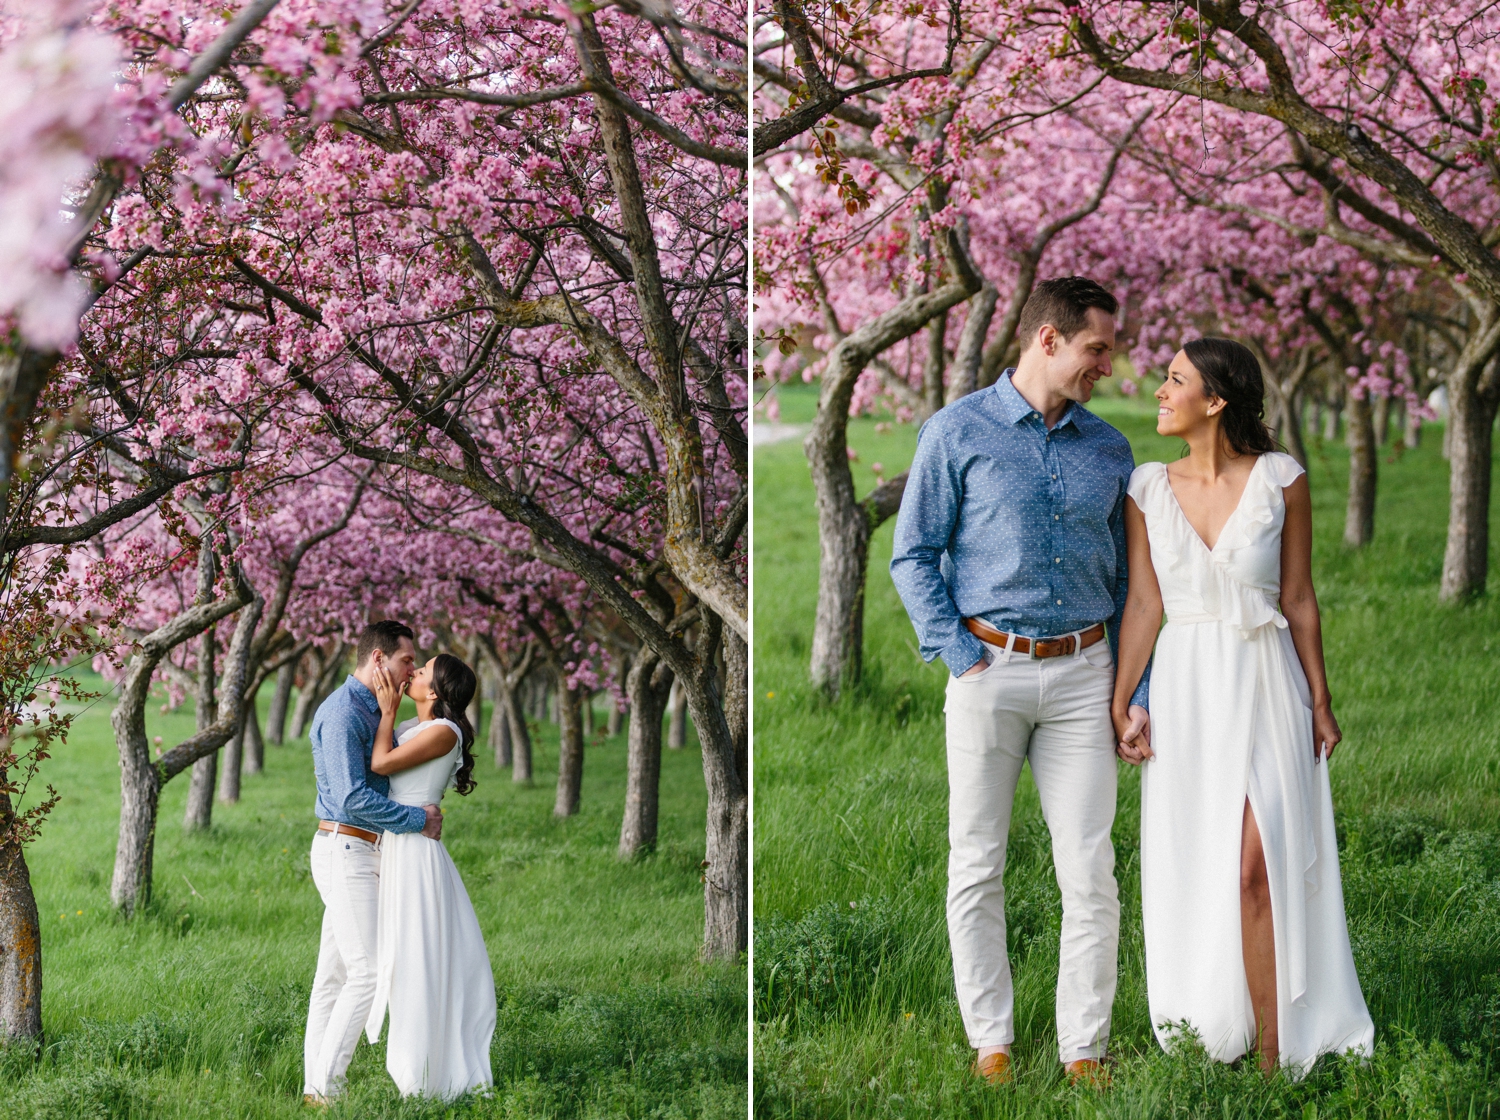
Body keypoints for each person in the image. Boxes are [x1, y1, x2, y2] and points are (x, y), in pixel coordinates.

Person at [890, 276, 1148, 1088]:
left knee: (1090, 868)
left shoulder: (1111, 449)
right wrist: (960, 655)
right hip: (988, 670)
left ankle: (1085, 1049)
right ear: (1047, 339)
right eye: (1096, 348)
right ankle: (991, 1041)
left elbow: (1127, 587)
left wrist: (1129, 692)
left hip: (1084, 675)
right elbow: (913, 553)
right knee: (977, 863)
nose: (1106, 364)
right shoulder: (955, 431)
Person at [1111, 337, 1374, 1075]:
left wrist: (1321, 700)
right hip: (1189, 684)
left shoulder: (1280, 479)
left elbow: (1297, 598)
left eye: (1174, 381)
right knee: (1206, 860)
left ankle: (1273, 1052)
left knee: (1257, 865)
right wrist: (1122, 700)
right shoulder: (1146, 488)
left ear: (1216, 399)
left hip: (1265, 682)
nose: (1159, 392)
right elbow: (1143, 605)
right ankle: (1218, 1012)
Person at [303, 621, 444, 1104]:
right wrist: (415, 819)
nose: (412, 671)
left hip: (362, 849)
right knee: (367, 971)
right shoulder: (345, 712)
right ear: (380, 659)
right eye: (408, 661)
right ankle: (327, 1090)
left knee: (335, 975)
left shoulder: (377, 709)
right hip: (346, 849)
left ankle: (313, 1088)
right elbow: (350, 795)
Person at [363, 652, 497, 1099]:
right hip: (400, 842)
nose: (413, 672)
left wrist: (386, 709)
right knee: (398, 955)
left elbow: (381, 765)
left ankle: (425, 1075)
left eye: (421, 672)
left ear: (435, 691)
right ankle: (416, 1067)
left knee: (416, 957)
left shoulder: (444, 731)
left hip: (417, 853)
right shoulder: (412, 729)